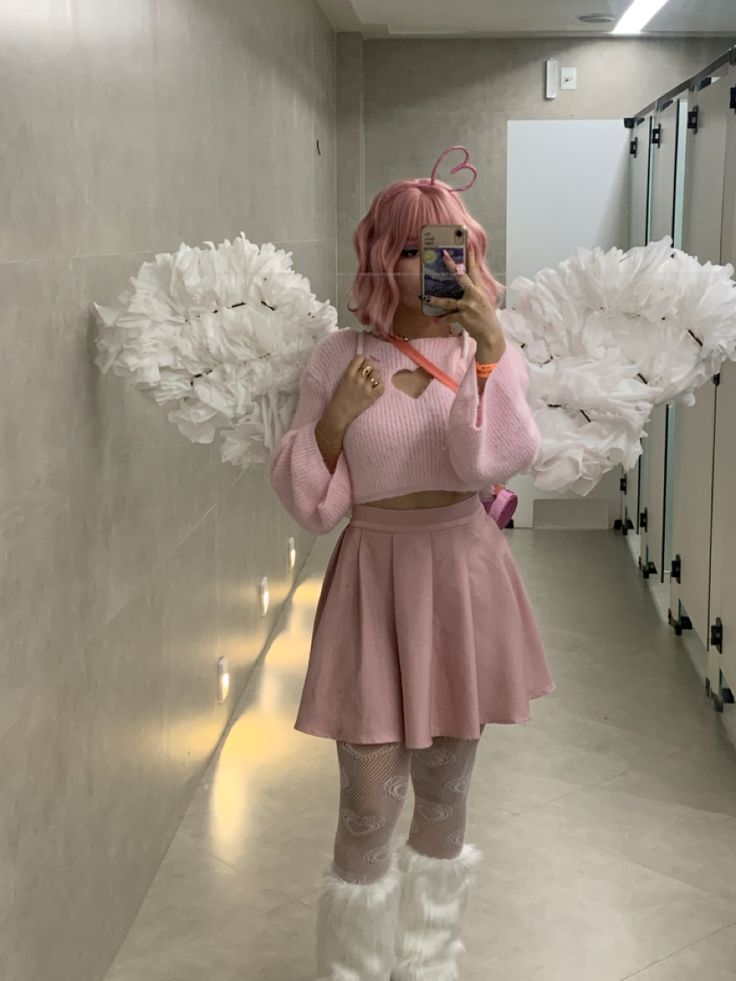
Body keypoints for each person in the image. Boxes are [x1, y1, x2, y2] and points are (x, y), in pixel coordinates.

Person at [269, 148, 556, 981]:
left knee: (444, 790)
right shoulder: (337, 355)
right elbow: (311, 503)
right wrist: (336, 421)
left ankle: (430, 960)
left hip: (462, 577)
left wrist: (493, 354)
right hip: (372, 579)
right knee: (366, 800)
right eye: (414, 248)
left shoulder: (485, 352)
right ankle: (354, 966)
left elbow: (494, 461)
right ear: (379, 258)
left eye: (454, 247)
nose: (438, 263)